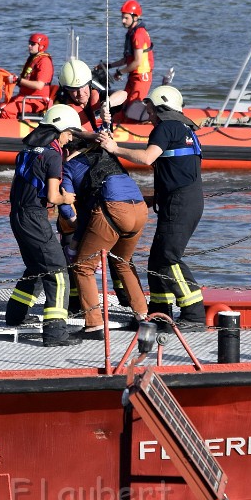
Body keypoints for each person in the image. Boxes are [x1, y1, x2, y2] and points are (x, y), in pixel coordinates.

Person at [96, 85, 205, 331]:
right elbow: (175, 168)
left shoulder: (165, 127)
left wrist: (114, 148)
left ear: (160, 108)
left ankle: (194, 314)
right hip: (184, 200)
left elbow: (147, 158)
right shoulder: (184, 129)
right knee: (156, 260)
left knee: (168, 257)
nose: (148, 112)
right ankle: (159, 314)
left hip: (180, 202)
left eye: (150, 107)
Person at [6, 104, 83, 347]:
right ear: (60, 130)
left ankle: (15, 315)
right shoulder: (52, 155)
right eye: (70, 133)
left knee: (36, 266)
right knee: (58, 272)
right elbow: (52, 196)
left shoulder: (30, 150)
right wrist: (66, 199)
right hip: (34, 218)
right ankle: (55, 333)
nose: (71, 138)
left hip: (17, 215)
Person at [59, 138, 149, 339]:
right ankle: (142, 318)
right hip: (139, 209)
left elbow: (66, 205)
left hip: (113, 210)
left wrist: (73, 227)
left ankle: (94, 325)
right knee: (123, 262)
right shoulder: (110, 158)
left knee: (83, 267)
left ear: (68, 150)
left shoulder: (70, 166)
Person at [96, 0, 154, 122]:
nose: (123, 21)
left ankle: (142, 124)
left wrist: (120, 72)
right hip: (133, 76)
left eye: (126, 18)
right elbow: (127, 59)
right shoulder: (131, 33)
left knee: (133, 108)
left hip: (141, 77)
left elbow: (137, 62)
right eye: (122, 17)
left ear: (135, 17)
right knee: (124, 104)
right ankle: (115, 122)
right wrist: (109, 65)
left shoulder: (138, 35)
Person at [0, 33, 54, 119]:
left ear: (41, 46)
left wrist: (18, 80)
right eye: (29, 43)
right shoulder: (32, 60)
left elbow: (39, 85)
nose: (29, 46)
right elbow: (24, 80)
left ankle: (14, 130)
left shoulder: (44, 61)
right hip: (25, 97)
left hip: (37, 100)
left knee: (6, 112)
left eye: (32, 44)